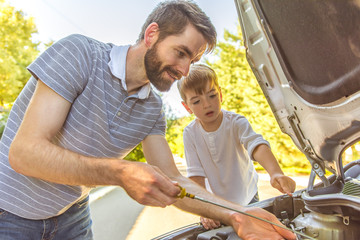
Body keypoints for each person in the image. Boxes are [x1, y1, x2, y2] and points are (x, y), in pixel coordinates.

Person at [0, 1, 295, 239]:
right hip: (8, 214)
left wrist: (237, 214)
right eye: (180, 53)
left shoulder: (151, 110)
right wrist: (119, 172)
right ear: (151, 34)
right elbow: (24, 153)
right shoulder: (79, 54)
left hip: (71, 217)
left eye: (192, 60)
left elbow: (174, 180)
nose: (184, 70)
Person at [178, 63, 296, 229]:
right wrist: (203, 209)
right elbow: (196, 175)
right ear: (187, 107)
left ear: (220, 94)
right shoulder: (190, 133)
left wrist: (275, 172)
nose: (206, 104)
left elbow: (256, 145)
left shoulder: (236, 122)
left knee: (258, 231)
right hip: (218, 205)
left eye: (211, 95)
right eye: (197, 101)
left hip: (249, 197)